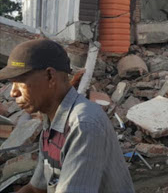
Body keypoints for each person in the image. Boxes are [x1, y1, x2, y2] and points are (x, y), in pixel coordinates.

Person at [0, 39, 134, 193]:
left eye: (20, 82)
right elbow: (35, 189)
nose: (13, 92)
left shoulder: (83, 125)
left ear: (50, 76)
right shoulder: (51, 123)